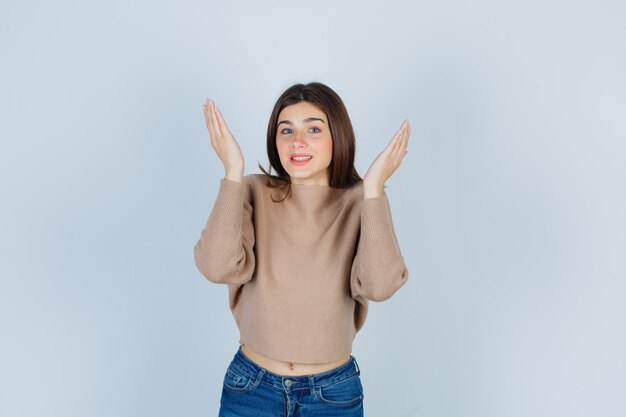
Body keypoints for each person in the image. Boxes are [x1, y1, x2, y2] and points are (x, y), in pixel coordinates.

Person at [194, 82, 410, 417]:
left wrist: (374, 189)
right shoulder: (252, 190)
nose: (298, 141)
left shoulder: (361, 201)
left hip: (332, 393)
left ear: (337, 136)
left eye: (313, 128)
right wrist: (232, 172)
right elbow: (217, 267)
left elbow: (380, 286)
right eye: (286, 130)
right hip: (251, 387)